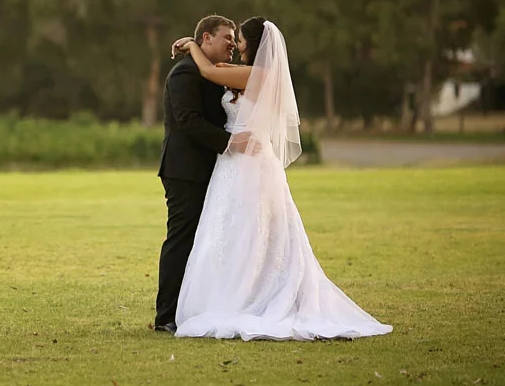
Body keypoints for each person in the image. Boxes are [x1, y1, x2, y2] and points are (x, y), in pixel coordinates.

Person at [168, 17, 392, 340]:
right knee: (237, 233)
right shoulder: (252, 74)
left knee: (249, 232)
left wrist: (191, 45)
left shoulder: (258, 74)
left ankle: (249, 296)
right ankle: (239, 291)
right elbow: (216, 70)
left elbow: (209, 72)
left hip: (247, 164)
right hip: (235, 165)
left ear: (255, 45)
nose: (237, 45)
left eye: (240, 40)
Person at [153, 15, 241, 333]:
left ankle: (196, 307)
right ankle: (166, 316)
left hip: (214, 171)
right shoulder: (184, 73)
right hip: (184, 171)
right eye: (227, 37)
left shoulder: (215, 74)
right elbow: (187, 120)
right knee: (181, 239)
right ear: (206, 38)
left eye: (235, 39)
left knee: (207, 241)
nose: (232, 43)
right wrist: (231, 142)